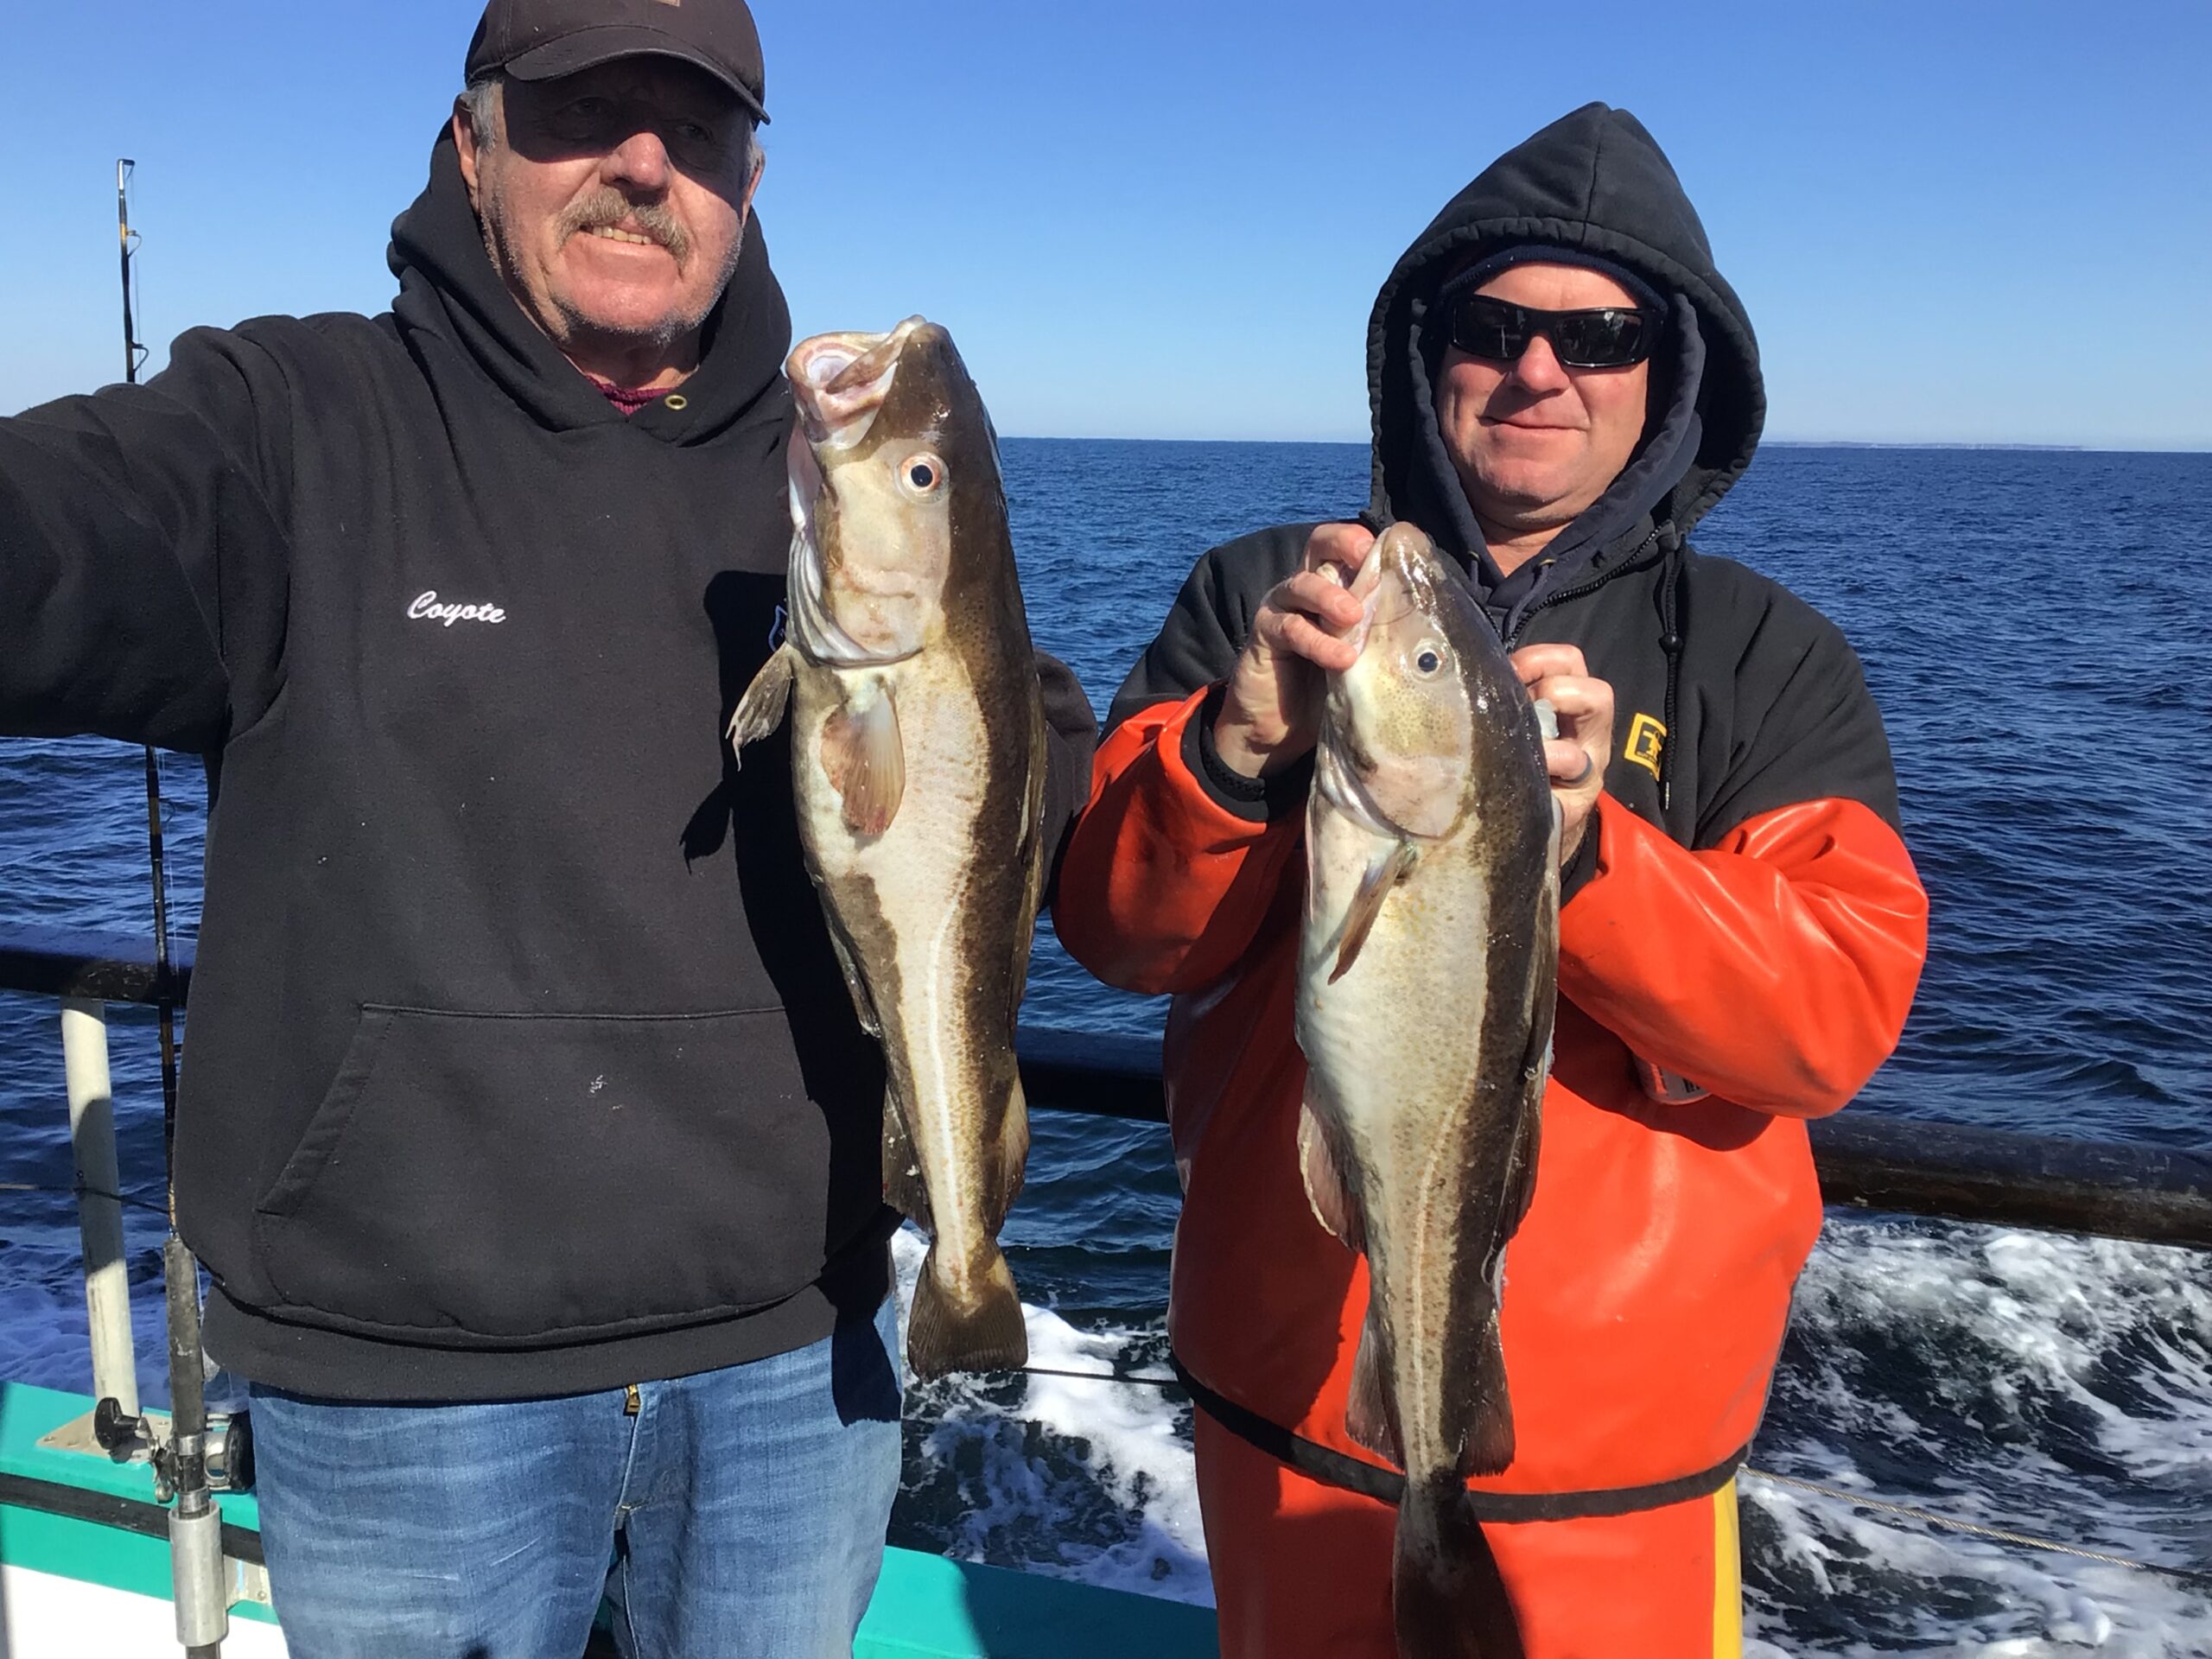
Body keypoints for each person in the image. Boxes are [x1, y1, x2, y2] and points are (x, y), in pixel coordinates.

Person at [0, 2, 1095, 1654]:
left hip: (798, 1368)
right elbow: (53, 541)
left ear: (748, 179)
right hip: (405, 1398)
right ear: (475, 143)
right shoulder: (289, 425)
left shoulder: (830, 484)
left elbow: (1020, 729)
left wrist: (1237, 751)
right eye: (586, 112)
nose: (644, 166)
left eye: (697, 133)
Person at [1053, 103, 1929, 1657]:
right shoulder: (1268, 596)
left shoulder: (1765, 658)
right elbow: (1121, 935)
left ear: (1669, 373)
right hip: (1279, 1405)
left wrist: (1587, 855)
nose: (1540, 371)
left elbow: (1828, 1017)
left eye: (1599, 333)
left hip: (1626, 1473)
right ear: (1424, 352)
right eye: (1492, 327)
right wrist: (1236, 752)